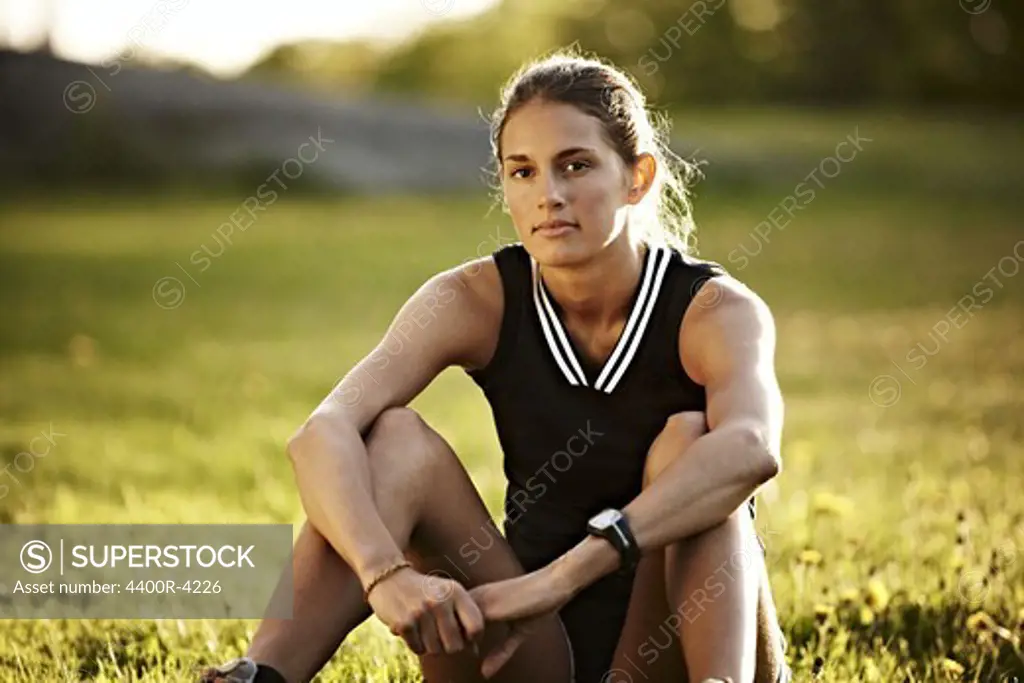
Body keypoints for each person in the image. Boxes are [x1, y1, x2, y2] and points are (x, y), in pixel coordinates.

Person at [200, 50, 792, 683]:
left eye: (576, 165)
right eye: (523, 172)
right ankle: (260, 676)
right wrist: (385, 574)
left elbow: (751, 448)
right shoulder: (473, 299)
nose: (550, 196)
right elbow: (321, 433)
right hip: (532, 652)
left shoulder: (713, 310)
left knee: (692, 443)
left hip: (674, 646)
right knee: (394, 439)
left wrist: (559, 578)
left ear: (637, 177)